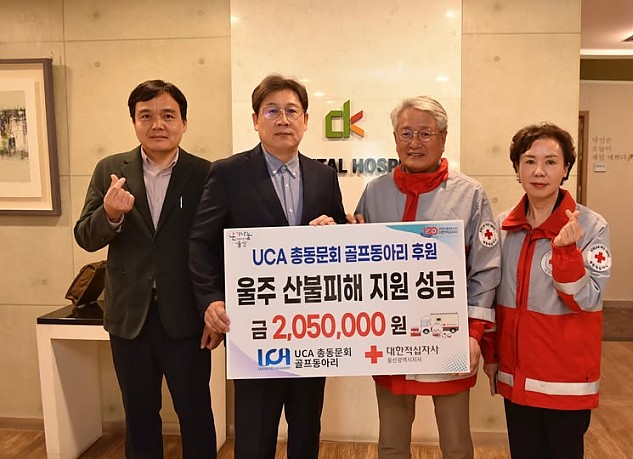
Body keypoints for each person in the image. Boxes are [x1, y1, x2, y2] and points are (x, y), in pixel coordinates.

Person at [189, 74, 346, 459]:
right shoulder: (228, 173)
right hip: (254, 329)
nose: (283, 119)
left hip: (311, 328)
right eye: (272, 111)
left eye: (292, 111)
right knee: (255, 433)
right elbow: (201, 241)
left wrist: (334, 230)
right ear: (255, 120)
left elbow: (341, 240)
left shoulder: (323, 176)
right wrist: (211, 299)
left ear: (305, 120)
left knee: (306, 428)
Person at [349, 96, 501, 459]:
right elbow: (359, 262)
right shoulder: (375, 191)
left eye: (425, 133)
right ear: (395, 139)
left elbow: (485, 269)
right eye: (406, 133)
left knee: (456, 443)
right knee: (391, 441)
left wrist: (473, 334)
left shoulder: (470, 195)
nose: (414, 142)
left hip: (448, 335)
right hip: (390, 335)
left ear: (443, 137)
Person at [74, 80, 218, 458]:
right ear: (134, 122)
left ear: (184, 123)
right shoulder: (110, 169)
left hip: (186, 317)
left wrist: (212, 307)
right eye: (146, 116)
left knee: (195, 413)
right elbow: (85, 235)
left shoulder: (205, 173)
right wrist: (110, 214)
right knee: (138, 415)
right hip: (129, 318)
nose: (158, 124)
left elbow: (217, 247)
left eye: (168, 115)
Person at [483, 123, 612, 459]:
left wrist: (566, 254)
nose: (539, 171)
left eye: (550, 162)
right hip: (516, 376)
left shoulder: (591, 227)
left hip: (565, 380)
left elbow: (588, 299)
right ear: (517, 168)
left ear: (565, 168)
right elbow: (491, 298)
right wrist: (491, 355)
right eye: (529, 161)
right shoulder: (502, 227)